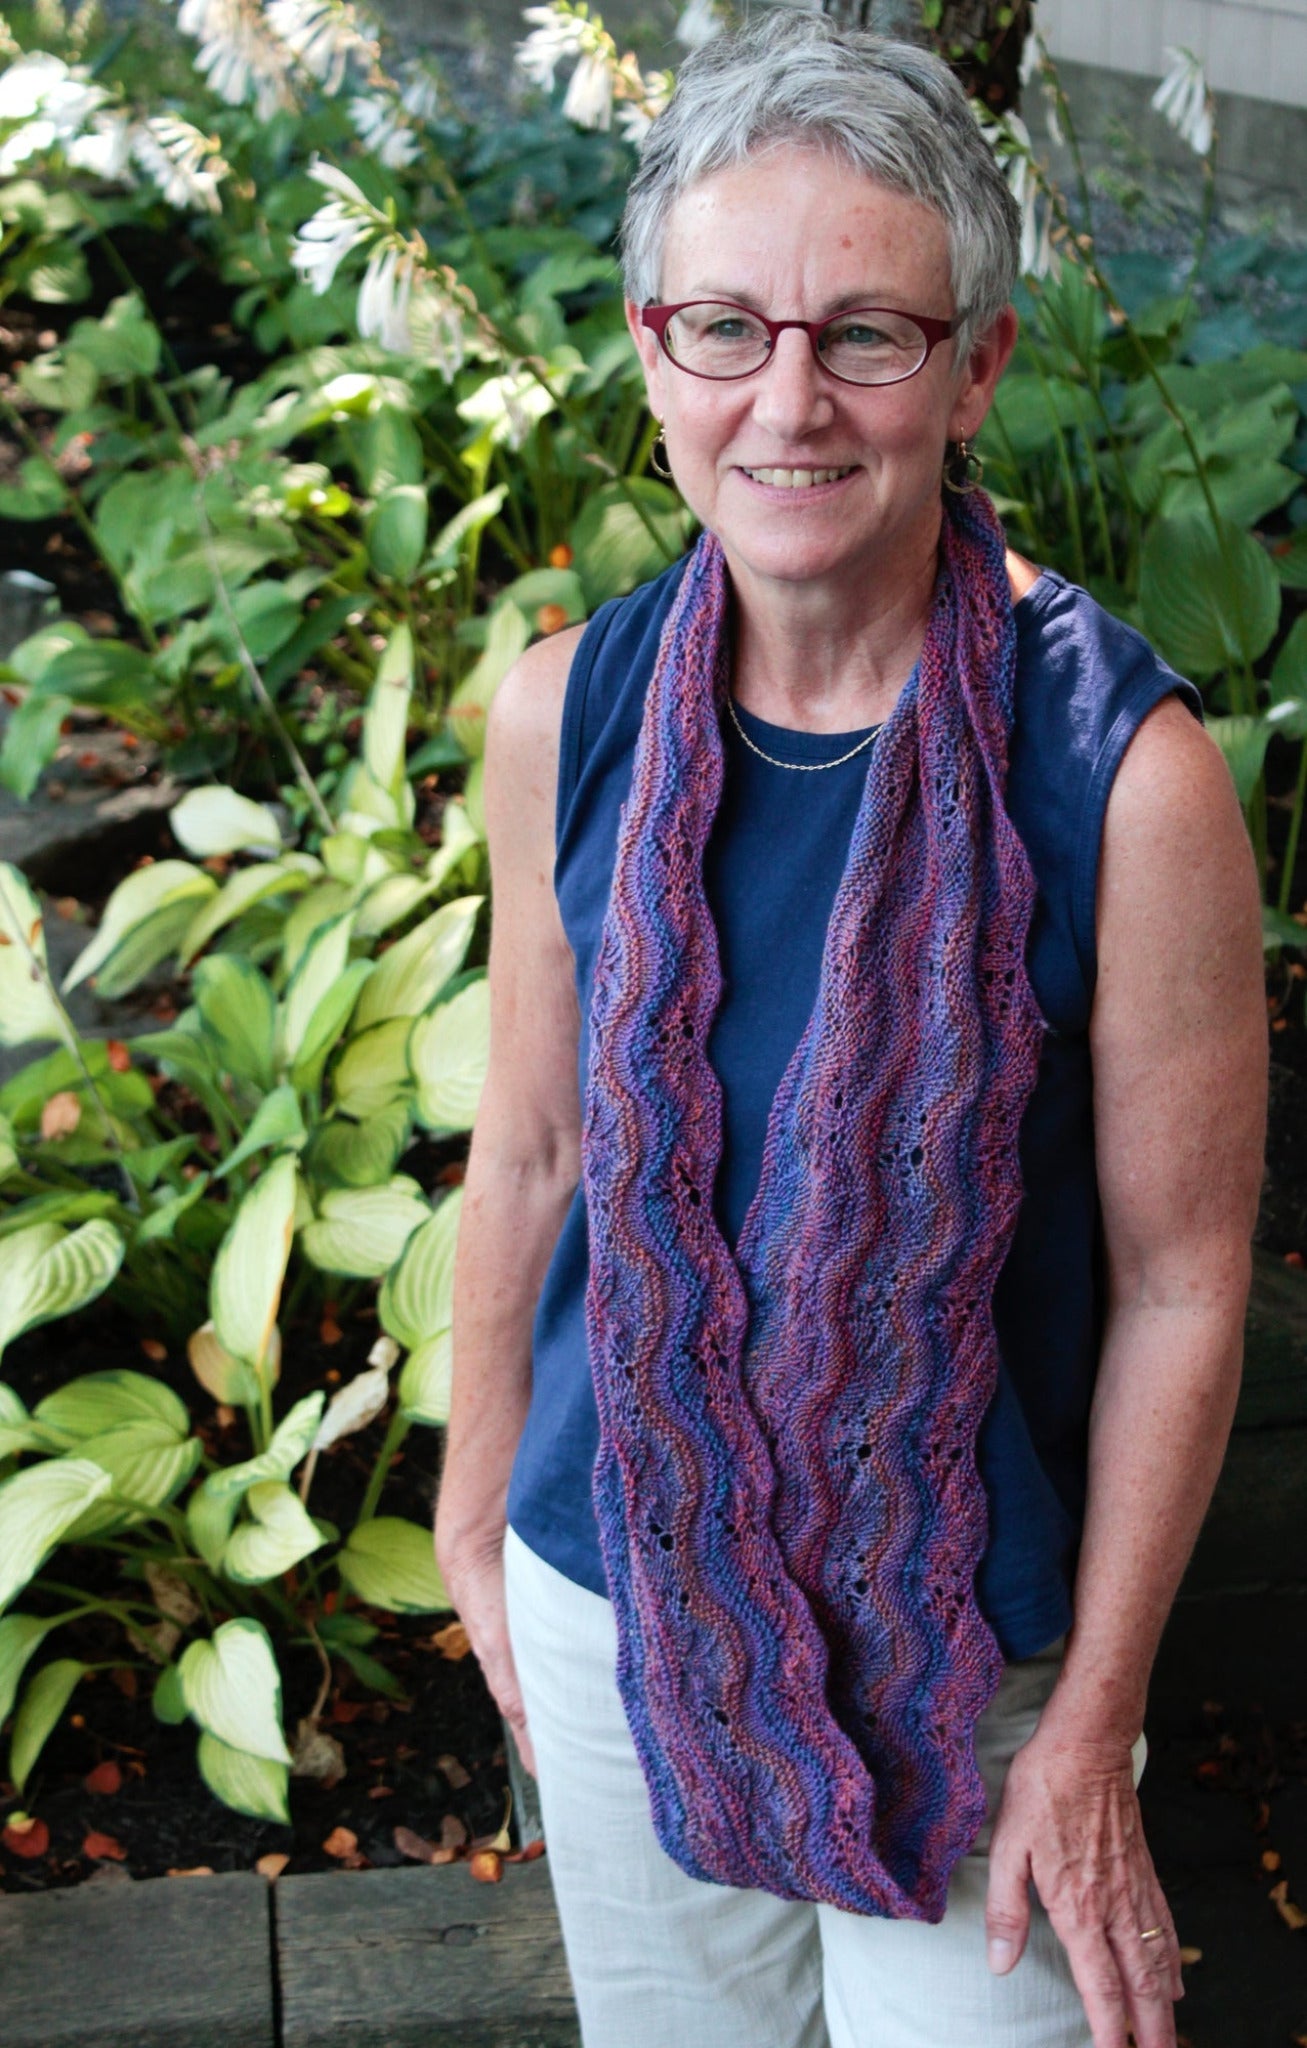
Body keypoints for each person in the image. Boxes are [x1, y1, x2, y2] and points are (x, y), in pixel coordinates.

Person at [434, 14, 1266, 2048]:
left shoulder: (1122, 774)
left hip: (978, 1668)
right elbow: (532, 1154)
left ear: (975, 364)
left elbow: (1178, 1280)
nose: (786, 399)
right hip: (623, 1595)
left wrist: (1093, 1722)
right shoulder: (569, 710)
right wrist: (473, 1514)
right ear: (653, 353)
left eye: (866, 334)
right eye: (725, 326)